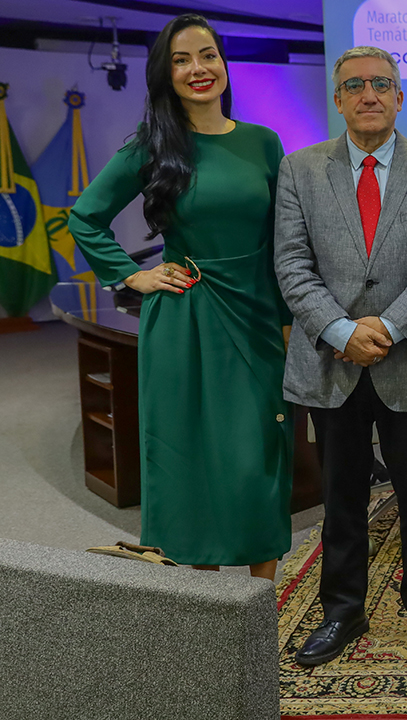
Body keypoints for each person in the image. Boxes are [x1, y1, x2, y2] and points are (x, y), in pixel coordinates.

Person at [69, 14, 292, 580]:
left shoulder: (263, 143)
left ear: (223, 64)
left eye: (208, 55)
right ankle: (206, 611)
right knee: (189, 459)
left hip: (256, 316)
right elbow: (85, 218)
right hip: (185, 317)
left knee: (256, 456)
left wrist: (290, 321)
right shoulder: (152, 145)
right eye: (182, 59)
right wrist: (129, 275)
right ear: (165, 75)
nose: (199, 68)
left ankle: (258, 605)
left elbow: (281, 243)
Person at [274, 46, 407, 667]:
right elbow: (291, 265)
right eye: (355, 86)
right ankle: (342, 610)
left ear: (400, 97)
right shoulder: (300, 169)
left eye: (382, 84)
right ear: (338, 98)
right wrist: (340, 329)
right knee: (341, 495)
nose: (369, 94)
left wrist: (391, 324)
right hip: (331, 362)